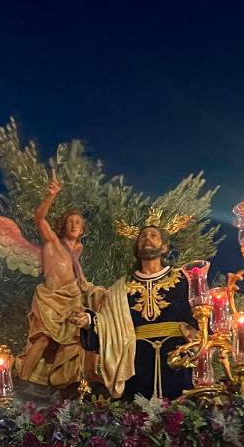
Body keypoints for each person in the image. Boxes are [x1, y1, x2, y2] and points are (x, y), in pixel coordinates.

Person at [79, 222, 197, 400]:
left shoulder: (184, 279)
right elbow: (107, 323)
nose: (147, 238)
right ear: (137, 248)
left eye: (153, 235)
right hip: (136, 359)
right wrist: (89, 320)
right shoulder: (121, 287)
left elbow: (201, 314)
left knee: (182, 413)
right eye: (143, 236)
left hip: (177, 356)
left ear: (164, 247)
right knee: (137, 417)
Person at [17, 171, 99, 389]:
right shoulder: (53, 241)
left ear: (82, 230)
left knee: (73, 343)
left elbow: (74, 270)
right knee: (42, 339)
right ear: (63, 225)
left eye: (78, 223)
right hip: (50, 297)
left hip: (72, 298)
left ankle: (61, 386)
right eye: (70, 221)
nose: (73, 225)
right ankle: (23, 383)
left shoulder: (78, 249)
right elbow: (39, 218)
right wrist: (51, 194)